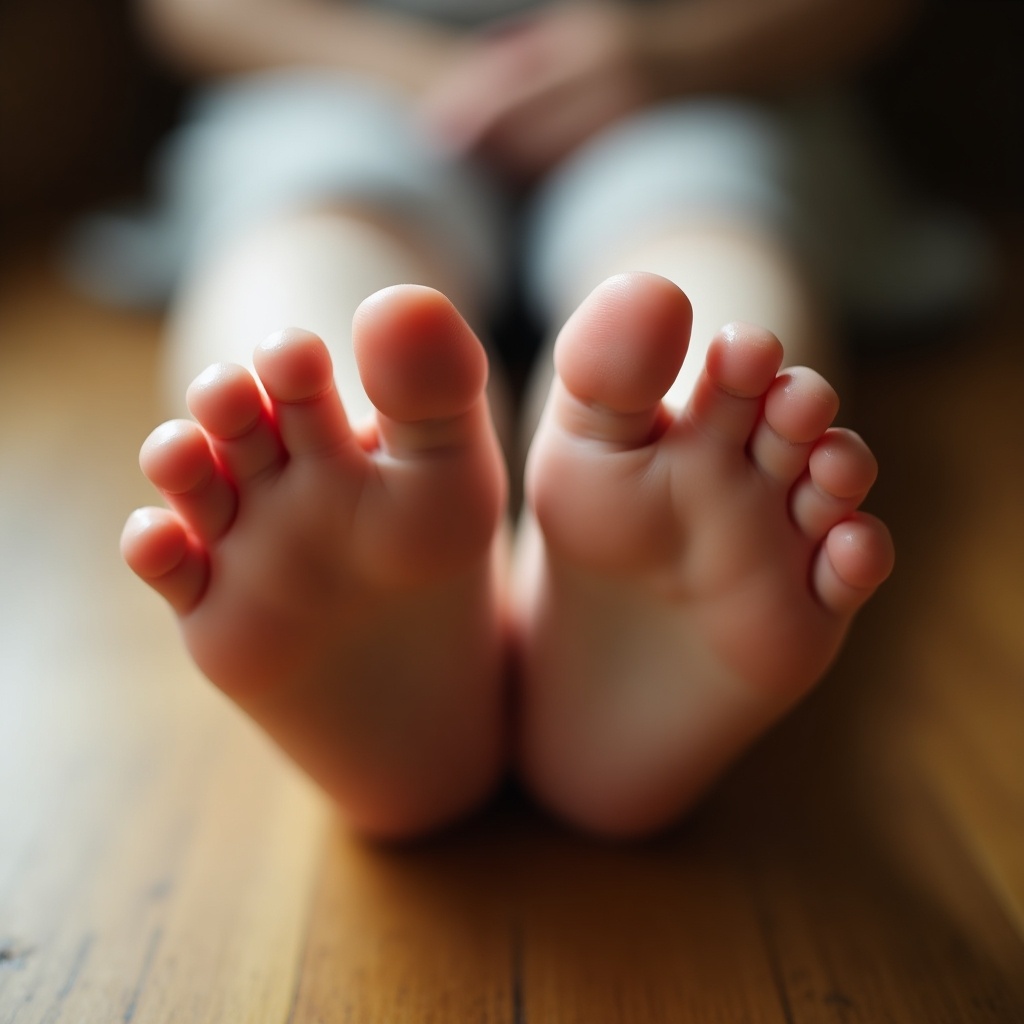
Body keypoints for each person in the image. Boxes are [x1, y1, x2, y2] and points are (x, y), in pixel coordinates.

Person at [116, 0, 905, 839]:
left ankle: (363, 477)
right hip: (344, 71)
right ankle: (658, 466)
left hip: (693, 77)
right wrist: (427, 77)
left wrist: (671, 55)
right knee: (710, 234)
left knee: (314, 231)